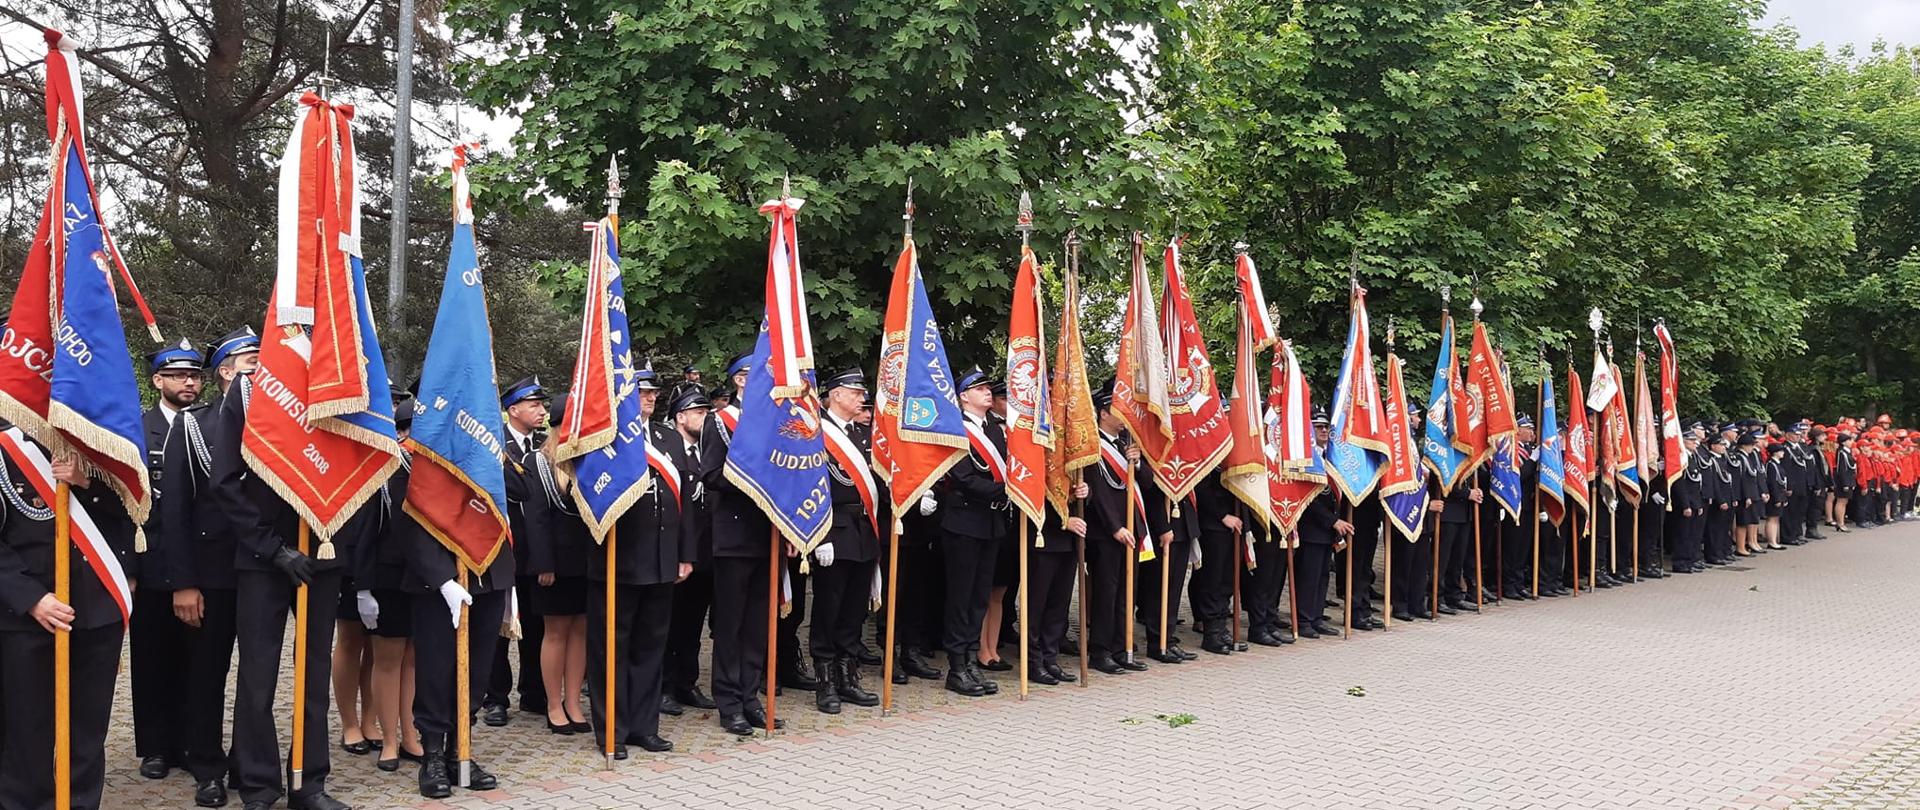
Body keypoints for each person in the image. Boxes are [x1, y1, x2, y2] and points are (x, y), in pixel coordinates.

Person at [210, 344, 354, 810]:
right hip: (262, 558)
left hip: (322, 551)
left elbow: (358, 467)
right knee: (258, 677)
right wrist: (272, 548)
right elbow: (225, 481)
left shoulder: (340, 391)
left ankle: (308, 782)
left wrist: (331, 533)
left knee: (313, 675)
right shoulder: (249, 393)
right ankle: (258, 784)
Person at [0, 426, 138, 810]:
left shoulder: (100, 447)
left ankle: (77, 803)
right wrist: (31, 599)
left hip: (96, 610)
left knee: (86, 731)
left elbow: (137, 511)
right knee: (26, 729)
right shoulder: (6, 449)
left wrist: (86, 482)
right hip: (27, 616)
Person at [405, 388, 514, 799]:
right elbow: (411, 527)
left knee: (478, 669)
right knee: (436, 671)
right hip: (439, 584)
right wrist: (443, 579)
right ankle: (433, 755)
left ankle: (460, 750)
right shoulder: (419, 459)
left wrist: (491, 455)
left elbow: (516, 498)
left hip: (488, 574)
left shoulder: (489, 454)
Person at [585, 366, 693, 760]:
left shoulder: (666, 437)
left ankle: (645, 727)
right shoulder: (605, 440)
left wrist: (685, 554)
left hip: (662, 561)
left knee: (651, 648)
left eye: (652, 393)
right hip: (618, 561)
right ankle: (612, 729)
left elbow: (684, 501)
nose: (649, 398)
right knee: (611, 648)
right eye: (641, 392)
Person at [177, 326, 259, 808]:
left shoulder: (279, 421)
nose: (260, 365)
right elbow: (178, 512)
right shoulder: (193, 425)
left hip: (264, 569)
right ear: (226, 371)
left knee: (258, 675)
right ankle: (207, 766)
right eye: (251, 360)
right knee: (208, 673)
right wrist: (184, 582)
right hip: (213, 571)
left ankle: (252, 764)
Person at [129, 339, 205, 781]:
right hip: (152, 564)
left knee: (197, 661)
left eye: (194, 375)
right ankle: (156, 747)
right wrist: (131, 571)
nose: (188, 382)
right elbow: (128, 505)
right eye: (178, 375)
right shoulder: (138, 429)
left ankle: (194, 743)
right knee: (152, 658)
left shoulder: (211, 426)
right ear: (158, 381)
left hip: (200, 563)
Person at [699, 351, 782, 735]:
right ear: (740, 381)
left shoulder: (777, 423)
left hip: (768, 534)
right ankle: (728, 701)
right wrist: (753, 477)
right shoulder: (720, 421)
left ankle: (751, 697)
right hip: (733, 536)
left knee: (757, 625)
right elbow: (711, 474)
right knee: (730, 626)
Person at [349, 394, 425, 773]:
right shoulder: (387, 466)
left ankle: (410, 733)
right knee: (388, 661)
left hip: (422, 577)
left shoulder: (432, 469)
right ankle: (389, 739)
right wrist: (363, 587)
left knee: (412, 660)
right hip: (387, 576)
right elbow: (365, 530)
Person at [810, 369, 886, 712]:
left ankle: (848, 676)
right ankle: (825, 683)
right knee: (829, 609)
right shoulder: (815, 433)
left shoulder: (861, 435)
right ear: (836, 395)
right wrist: (821, 536)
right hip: (834, 532)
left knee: (854, 610)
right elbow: (809, 488)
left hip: (863, 531)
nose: (861, 398)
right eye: (855, 392)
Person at [518, 388, 592, 737]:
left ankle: (575, 702)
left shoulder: (589, 457)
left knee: (581, 631)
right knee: (556, 632)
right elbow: (535, 518)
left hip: (586, 559)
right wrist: (543, 564)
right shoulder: (538, 461)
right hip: (554, 563)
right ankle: (553, 704)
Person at [936, 368, 1011, 696]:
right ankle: (956, 666)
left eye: (987, 389)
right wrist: (1008, 491)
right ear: (963, 396)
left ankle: (969, 662)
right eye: (979, 389)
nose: (986, 393)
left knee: (980, 597)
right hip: (964, 522)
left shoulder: (995, 429)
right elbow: (965, 479)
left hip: (991, 523)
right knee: (961, 597)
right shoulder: (956, 429)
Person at [484, 377, 551, 727]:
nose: (542, 411)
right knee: (499, 625)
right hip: (502, 548)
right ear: (514, 409)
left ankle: (534, 691)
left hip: (535, 552)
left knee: (536, 623)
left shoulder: (545, 445)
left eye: (542, 405)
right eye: (534, 405)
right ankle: (495, 697)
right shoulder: (495, 443)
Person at [1084, 379, 1149, 675]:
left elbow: (1143, 486)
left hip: (1130, 530)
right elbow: (1096, 491)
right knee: (1106, 592)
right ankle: (1100, 650)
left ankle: (1124, 647)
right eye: (1117, 409)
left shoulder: (1127, 446)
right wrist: (1114, 527)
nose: (1124, 416)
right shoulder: (1093, 446)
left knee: (1128, 591)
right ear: (1103, 412)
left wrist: (1139, 463)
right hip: (1106, 532)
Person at [660, 386, 716, 716]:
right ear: (680, 417)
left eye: (707, 412)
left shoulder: (708, 450)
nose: (704, 418)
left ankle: (686, 680)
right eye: (698, 412)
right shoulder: (666, 451)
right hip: (677, 552)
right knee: (670, 623)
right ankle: (664, 685)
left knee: (693, 623)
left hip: (706, 550)